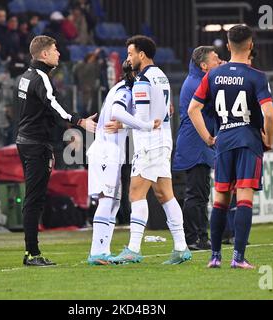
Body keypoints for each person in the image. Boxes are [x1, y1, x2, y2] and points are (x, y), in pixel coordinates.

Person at [189, 25, 273, 269]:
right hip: (248, 140)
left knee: (220, 201)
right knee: (244, 199)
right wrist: (268, 139)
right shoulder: (257, 76)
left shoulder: (213, 75)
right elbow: (269, 114)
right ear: (251, 45)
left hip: (224, 140)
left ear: (228, 46)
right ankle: (238, 258)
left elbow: (192, 109)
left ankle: (215, 257)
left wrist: (208, 137)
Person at [109, 35, 191, 265]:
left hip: (149, 143)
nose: (128, 58)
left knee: (135, 193)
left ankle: (133, 249)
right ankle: (181, 247)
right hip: (164, 140)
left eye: (130, 54)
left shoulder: (144, 79)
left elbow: (144, 119)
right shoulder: (161, 76)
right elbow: (168, 110)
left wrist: (122, 123)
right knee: (165, 194)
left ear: (141, 54)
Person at [16, 35, 97, 267]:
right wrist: (79, 121)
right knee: (34, 199)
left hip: (27, 141)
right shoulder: (40, 78)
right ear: (44, 54)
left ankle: (32, 251)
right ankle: (32, 253)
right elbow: (53, 105)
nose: (58, 53)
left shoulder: (25, 76)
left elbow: (35, 111)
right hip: (35, 144)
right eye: (54, 49)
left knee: (34, 198)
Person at [87, 60, 160, 265]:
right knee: (107, 200)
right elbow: (117, 111)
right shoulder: (125, 90)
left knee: (114, 203)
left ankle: (103, 251)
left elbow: (120, 118)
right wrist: (145, 125)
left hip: (112, 152)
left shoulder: (123, 88)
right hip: (105, 151)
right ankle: (97, 252)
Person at [173, 46, 221, 251]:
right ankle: (192, 238)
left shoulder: (199, 80)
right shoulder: (197, 83)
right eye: (216, 59)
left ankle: (201, 236)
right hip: (195, 145)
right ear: (204, 66)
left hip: (198, 144)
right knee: (195, 194)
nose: (220, 61)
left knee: (200, 194)